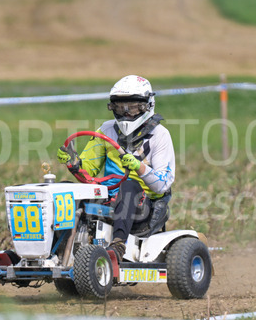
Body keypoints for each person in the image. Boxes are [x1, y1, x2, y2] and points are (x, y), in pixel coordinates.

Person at [56, 75, 175, 262]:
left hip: (143, 206)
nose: (126, 114)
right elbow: (89, 172)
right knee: (64, 190)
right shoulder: (106, 130)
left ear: (147, 105)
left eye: (133, 108)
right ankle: (59, 249)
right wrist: (75, 164)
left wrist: (140, 167)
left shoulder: (159, 135)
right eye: (121, 108)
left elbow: (163, 184)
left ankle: (118, 245)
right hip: (107, 198)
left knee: (128, 186)